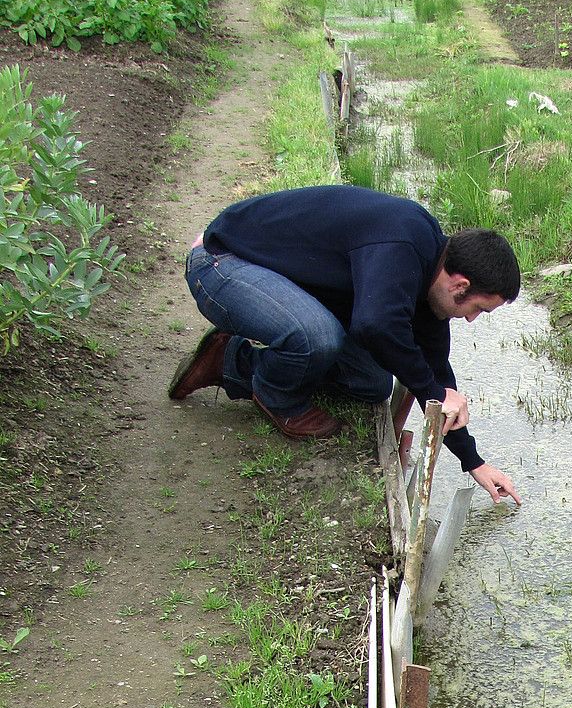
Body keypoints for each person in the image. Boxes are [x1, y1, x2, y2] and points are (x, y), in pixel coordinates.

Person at [172, 184, 522, 504]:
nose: (472, 319)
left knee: (371, 382)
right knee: (317, 337)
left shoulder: (433, 267)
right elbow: (375, 325)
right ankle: (278, 397)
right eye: (478, 309)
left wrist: (473, 461)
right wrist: (433, 389)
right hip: (222, 262)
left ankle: (227, 362)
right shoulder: (401, 244)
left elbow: (433, 369)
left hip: (274, 277)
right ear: (460, 285)